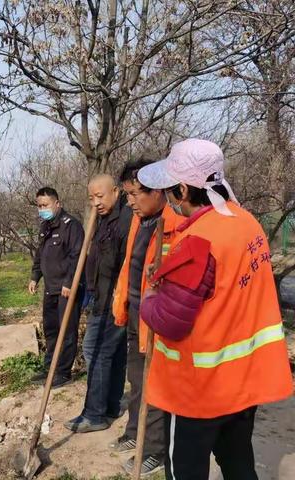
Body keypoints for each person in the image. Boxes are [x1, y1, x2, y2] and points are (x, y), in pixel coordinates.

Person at [136, 138, 293, 480]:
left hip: (199, 389)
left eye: (171, 191)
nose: (169, 200)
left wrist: (150, 297)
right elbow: (219, 287)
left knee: (186, 470)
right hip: (242, 382)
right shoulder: (246, 222)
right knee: (238, 463)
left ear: (182, 190)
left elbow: (170, 321)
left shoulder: (199, 238)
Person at [109, 161, 184, 477]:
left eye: (135, 195)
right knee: (137, 382)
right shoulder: (140, 222)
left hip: (156, 321)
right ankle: (133, 432)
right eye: (126, 195)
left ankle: (153, 450)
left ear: (158, 191)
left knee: (155, 386)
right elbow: (130, 265)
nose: (130, 202)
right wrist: (122, 304)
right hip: (135, 316)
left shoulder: (176, 225)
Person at [64, 174, 132, 433]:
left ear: (115, 191)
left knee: (95, 349)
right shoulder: (102, 220)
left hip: (115, 298)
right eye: (91, 198)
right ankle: (109, 407)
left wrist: (117, 296)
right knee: (112, 354)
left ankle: (95, 413)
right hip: (100, 296)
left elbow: (122, 263)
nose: (95, 202)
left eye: (100, 196)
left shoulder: (125, 220)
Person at [29, 187, 85, 388]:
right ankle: (49, 368)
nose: (42, 209)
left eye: (45, 205)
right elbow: (40, 255)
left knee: (67, 331)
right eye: (39, 206)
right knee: (51, 329)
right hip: (50, 288)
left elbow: (77, 256)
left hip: (66, 289)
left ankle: (63, 372)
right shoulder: (45, 227)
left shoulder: (71, 226)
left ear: (57, 203)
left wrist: (69, 283)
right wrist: (35, 277)